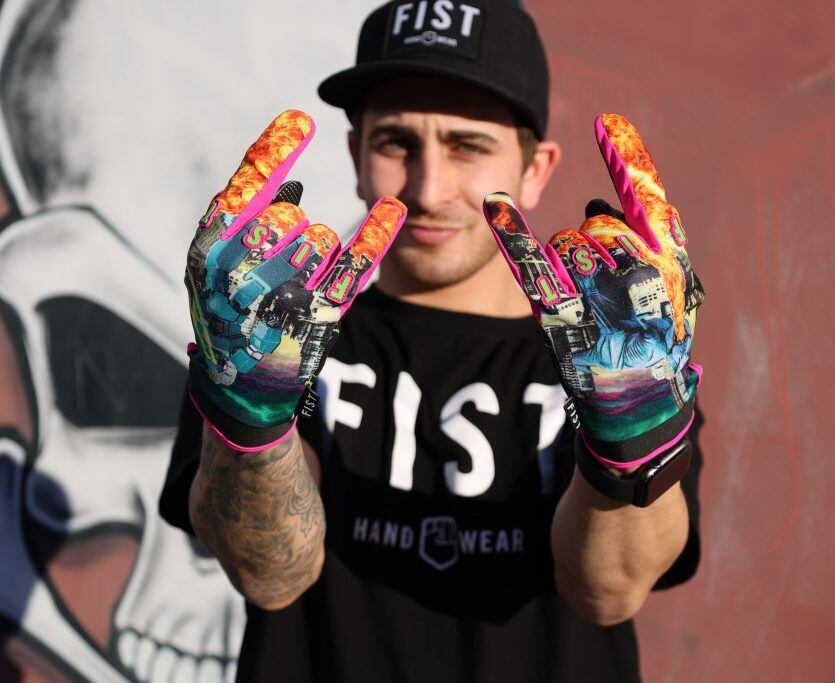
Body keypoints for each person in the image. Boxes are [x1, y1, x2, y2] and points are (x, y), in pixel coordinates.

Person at [159, 0, 705, 681]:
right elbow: (270, 576)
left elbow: (608, 593)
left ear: (536, 169)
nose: (428, 187)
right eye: (395, 142)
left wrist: (632, 427)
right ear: (356, 156)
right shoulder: (260, 335)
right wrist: (252, 416)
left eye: (467, 146)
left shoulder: (626, 347)